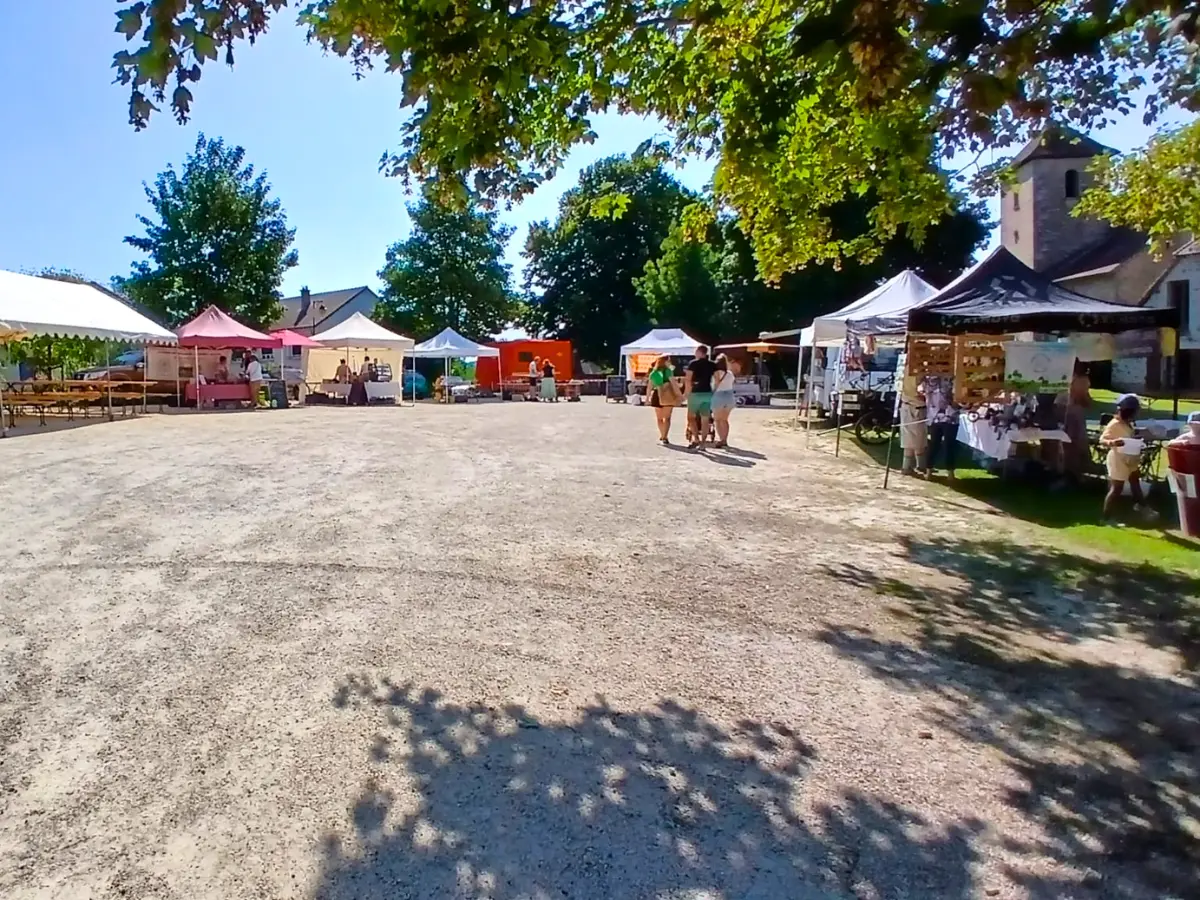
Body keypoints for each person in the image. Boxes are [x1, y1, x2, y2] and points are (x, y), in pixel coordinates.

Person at [1100, 394, 1156, 522]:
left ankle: (1142, 506)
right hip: (1118, 459)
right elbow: (1102, 440)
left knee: (1135, 482)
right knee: (1116, 489)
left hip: (1131, 459)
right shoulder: (1114, 424)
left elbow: (1129, 435)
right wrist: (1113, 442)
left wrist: (1139, 434)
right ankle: (1106, 518)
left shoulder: (1128, 424)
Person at [924, 377, 958, 479]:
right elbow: (925, 392)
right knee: (934, 444)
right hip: (935, 418)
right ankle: (929, 470)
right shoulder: (930, 379)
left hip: (951, 417)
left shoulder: (955, 377)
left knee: (949, 445)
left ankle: (950, 472)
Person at [684, 345, 717, 450]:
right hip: (707, 392)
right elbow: (717, 379)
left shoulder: (693, 363)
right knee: (705, 418)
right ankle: (703, 443)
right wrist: (714, 390)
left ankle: (696, 439)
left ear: (699, 352)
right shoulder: (712, 364)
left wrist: (687, 392)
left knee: (691, 417)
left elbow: (688, 379)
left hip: (695, 393)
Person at [646, 354, 680, 445]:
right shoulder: (668, 371)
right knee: (667, 418)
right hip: (668, 394)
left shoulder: (653, 373)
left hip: (657, 394)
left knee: (659, 418)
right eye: (669, 361)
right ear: (665, 361)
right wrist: (679, 395)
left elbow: (649, 387)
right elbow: (673, 384)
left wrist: (647, 398)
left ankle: (662, 435)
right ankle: (665, 436)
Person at [710, 353, 736, 449]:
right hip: (729, 396)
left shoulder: (716, 373)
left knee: (717, 419)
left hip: (719, 395)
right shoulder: (730, 374)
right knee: (724, 420)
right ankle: (725, 439)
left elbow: (715, 385)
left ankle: (721, 439)